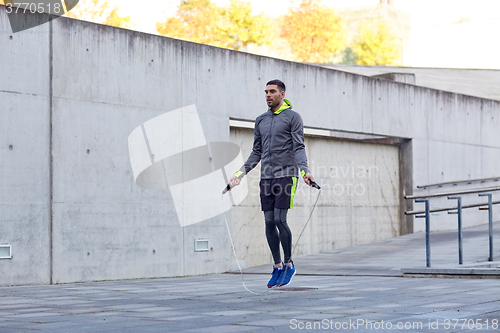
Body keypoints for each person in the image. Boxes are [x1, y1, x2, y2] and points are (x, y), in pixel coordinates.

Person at [227, 79, 315, 288]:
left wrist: (305, 171)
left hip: (287, 175)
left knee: (279, 219)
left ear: (282, 95)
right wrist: (239, 174)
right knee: (268, 222)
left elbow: (298, 147)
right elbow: (256, 151)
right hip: (266, 177)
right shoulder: (260, 120)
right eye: (266, 92)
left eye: (272, 92)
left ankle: (288, 264)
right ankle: (276, 267)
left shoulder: (293, 118)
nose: (268, 95)